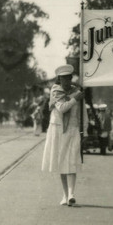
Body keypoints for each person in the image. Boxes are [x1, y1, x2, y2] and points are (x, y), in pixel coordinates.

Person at [41, 64, 84, 206]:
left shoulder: (76, 91)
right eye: (63, 78)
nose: (66, 81)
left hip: (72, 128)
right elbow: (62, 108)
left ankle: (71, 194)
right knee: (61, 162)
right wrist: (75, 98)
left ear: (71, 78)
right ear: (59, 79)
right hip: (58, 129)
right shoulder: (55, 91)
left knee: (71, 160)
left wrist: (85, 128)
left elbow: (81, 112)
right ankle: (65, 195)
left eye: (68, 78)